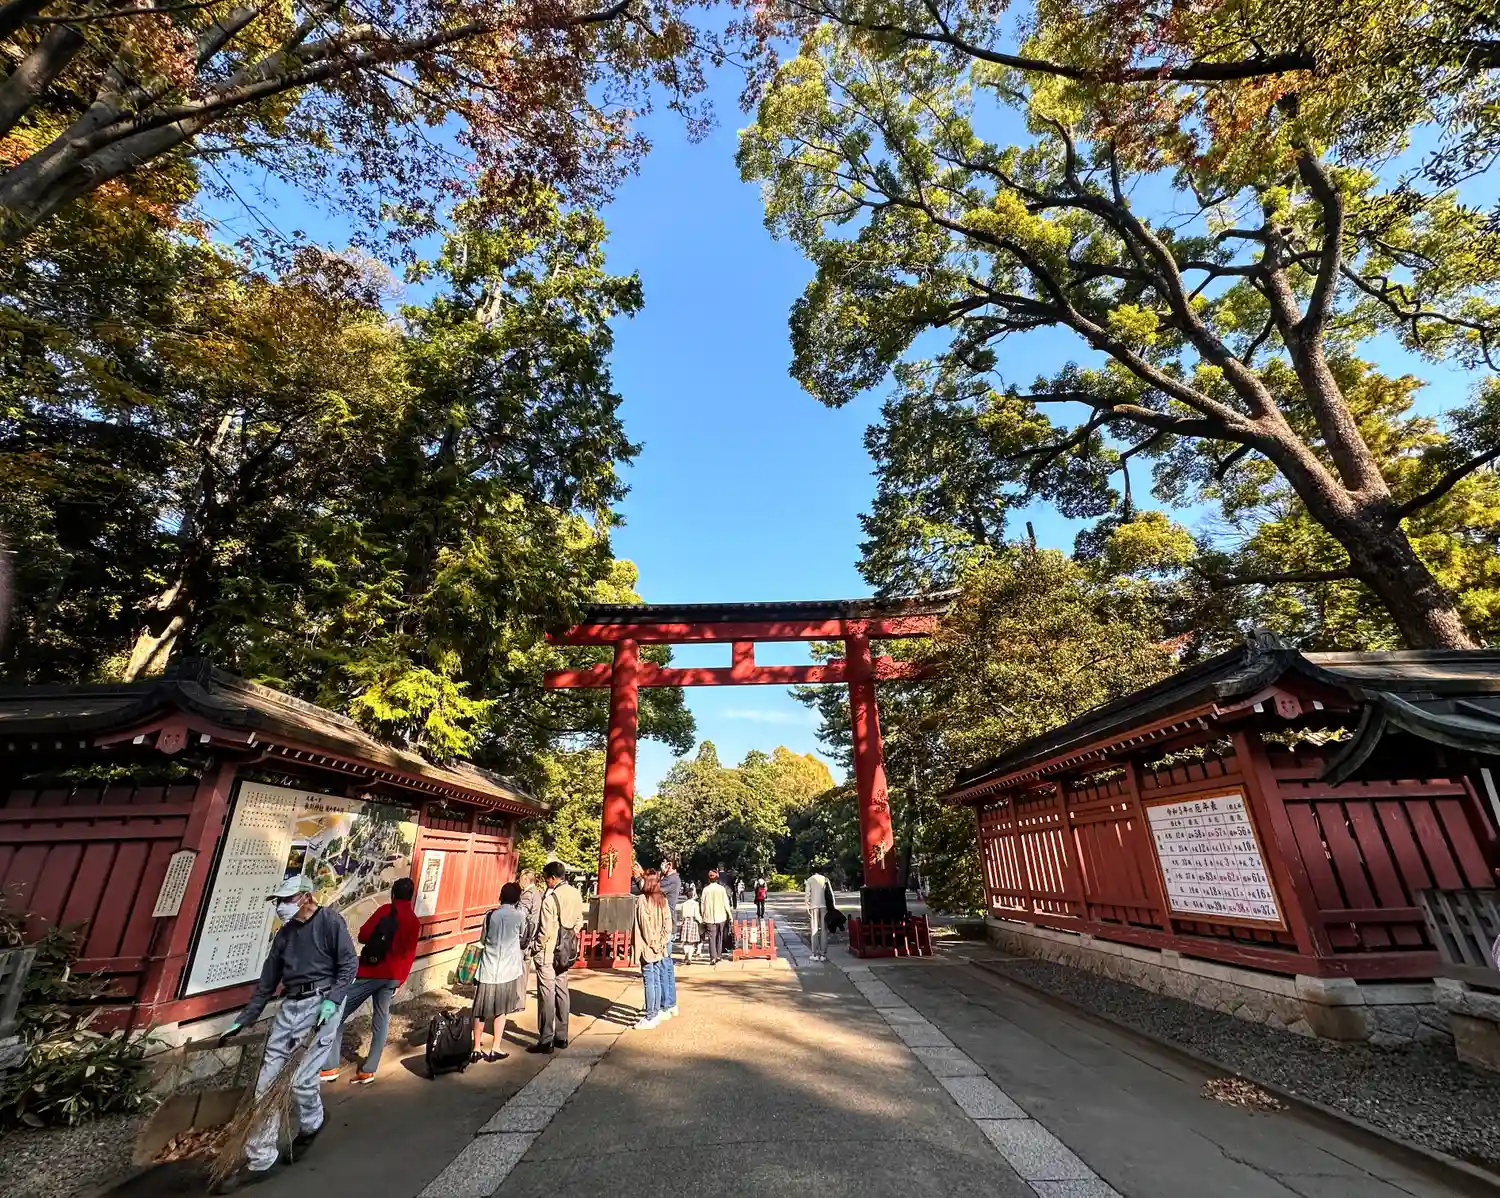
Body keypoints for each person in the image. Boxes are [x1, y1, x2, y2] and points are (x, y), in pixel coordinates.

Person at [214, 876, 356, 1192]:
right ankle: (260, 1158)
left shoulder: (330, 921)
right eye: (278, 901)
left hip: (321, 1001)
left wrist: (334, 1000)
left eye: (286, 899)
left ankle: (313, 1122)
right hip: (290, 1005)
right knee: (266, 1085)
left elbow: (348, 964)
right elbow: (267, 981)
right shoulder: (285, 935)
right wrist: (244, 1019)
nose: (280, 906)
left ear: (306, 897)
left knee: (301, 1080)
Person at [320, 876, 421, 1085]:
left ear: (393, 894)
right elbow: (410, 954)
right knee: (381, 1020)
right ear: (411, 896)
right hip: (393, 977)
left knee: (338, 1012)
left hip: (371, 972)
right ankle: (369, 1069)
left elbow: (363, 935)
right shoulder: (414, 921)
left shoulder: (386, 911)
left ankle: (330, 1066)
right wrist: (400, 980)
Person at [531, 860, 584, 1054]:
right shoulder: (576, 894)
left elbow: (544, 932)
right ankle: (562, 1036)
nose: (546, 882)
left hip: (548, 952)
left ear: (553, 878)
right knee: (562, 991)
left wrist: (535, 947)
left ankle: (546, 1039)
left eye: (546, 879)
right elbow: (579, 922)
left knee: (547, 995)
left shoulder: (550, 900)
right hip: (565, 951)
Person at [471, 881, 527, 1062]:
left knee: (480, 1010)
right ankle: (495, 1047)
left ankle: (476, 1048)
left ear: (501, 896)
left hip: (488, 968)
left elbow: (482, 939)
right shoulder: (520, 916)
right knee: (501, 1011)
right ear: (517, 899)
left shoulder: (490, 916)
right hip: (508, 970)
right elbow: (522, 938)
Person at [632, 868, 676, 1028]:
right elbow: (668, 924)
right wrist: (662, 942)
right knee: (656, 979)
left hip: (648, 946)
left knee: (650, 980)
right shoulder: (662, 899)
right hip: (660, 946)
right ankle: (655, 1012)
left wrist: (654, 943)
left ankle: (651, 1015)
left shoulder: (642, 900)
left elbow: (645, 926)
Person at [699, 869, 731, 966]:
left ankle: (713, 957)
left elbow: (702, 904)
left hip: (709, 917)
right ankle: (719, 955)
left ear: (709, 879)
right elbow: (726, 903)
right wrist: (730, 915)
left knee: (711, 938)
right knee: (719, 936)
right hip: (721, 916)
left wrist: (702, 915)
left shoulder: (705, 890)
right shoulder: (721, 889)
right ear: (717, 879)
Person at [805, 866, 834, 962]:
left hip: (813, 906)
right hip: (824, 906)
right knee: (824, 930)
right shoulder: (825, 879)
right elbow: (831, 894)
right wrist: (833, 906)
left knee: (814, 929)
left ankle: (814, 954)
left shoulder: (810, 880)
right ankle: (823, 954)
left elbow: (807, 895)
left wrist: (807, 906)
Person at [677, 884, 703, 964]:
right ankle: (689, 957)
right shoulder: (695, 904)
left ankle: (686, 954)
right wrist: (701, 921)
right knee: (691, 942)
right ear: (693, 895)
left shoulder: (683, 904)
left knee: (685, 941)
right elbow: (697, 915)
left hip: (685, 922)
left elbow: (681, 915)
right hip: (693, 922)